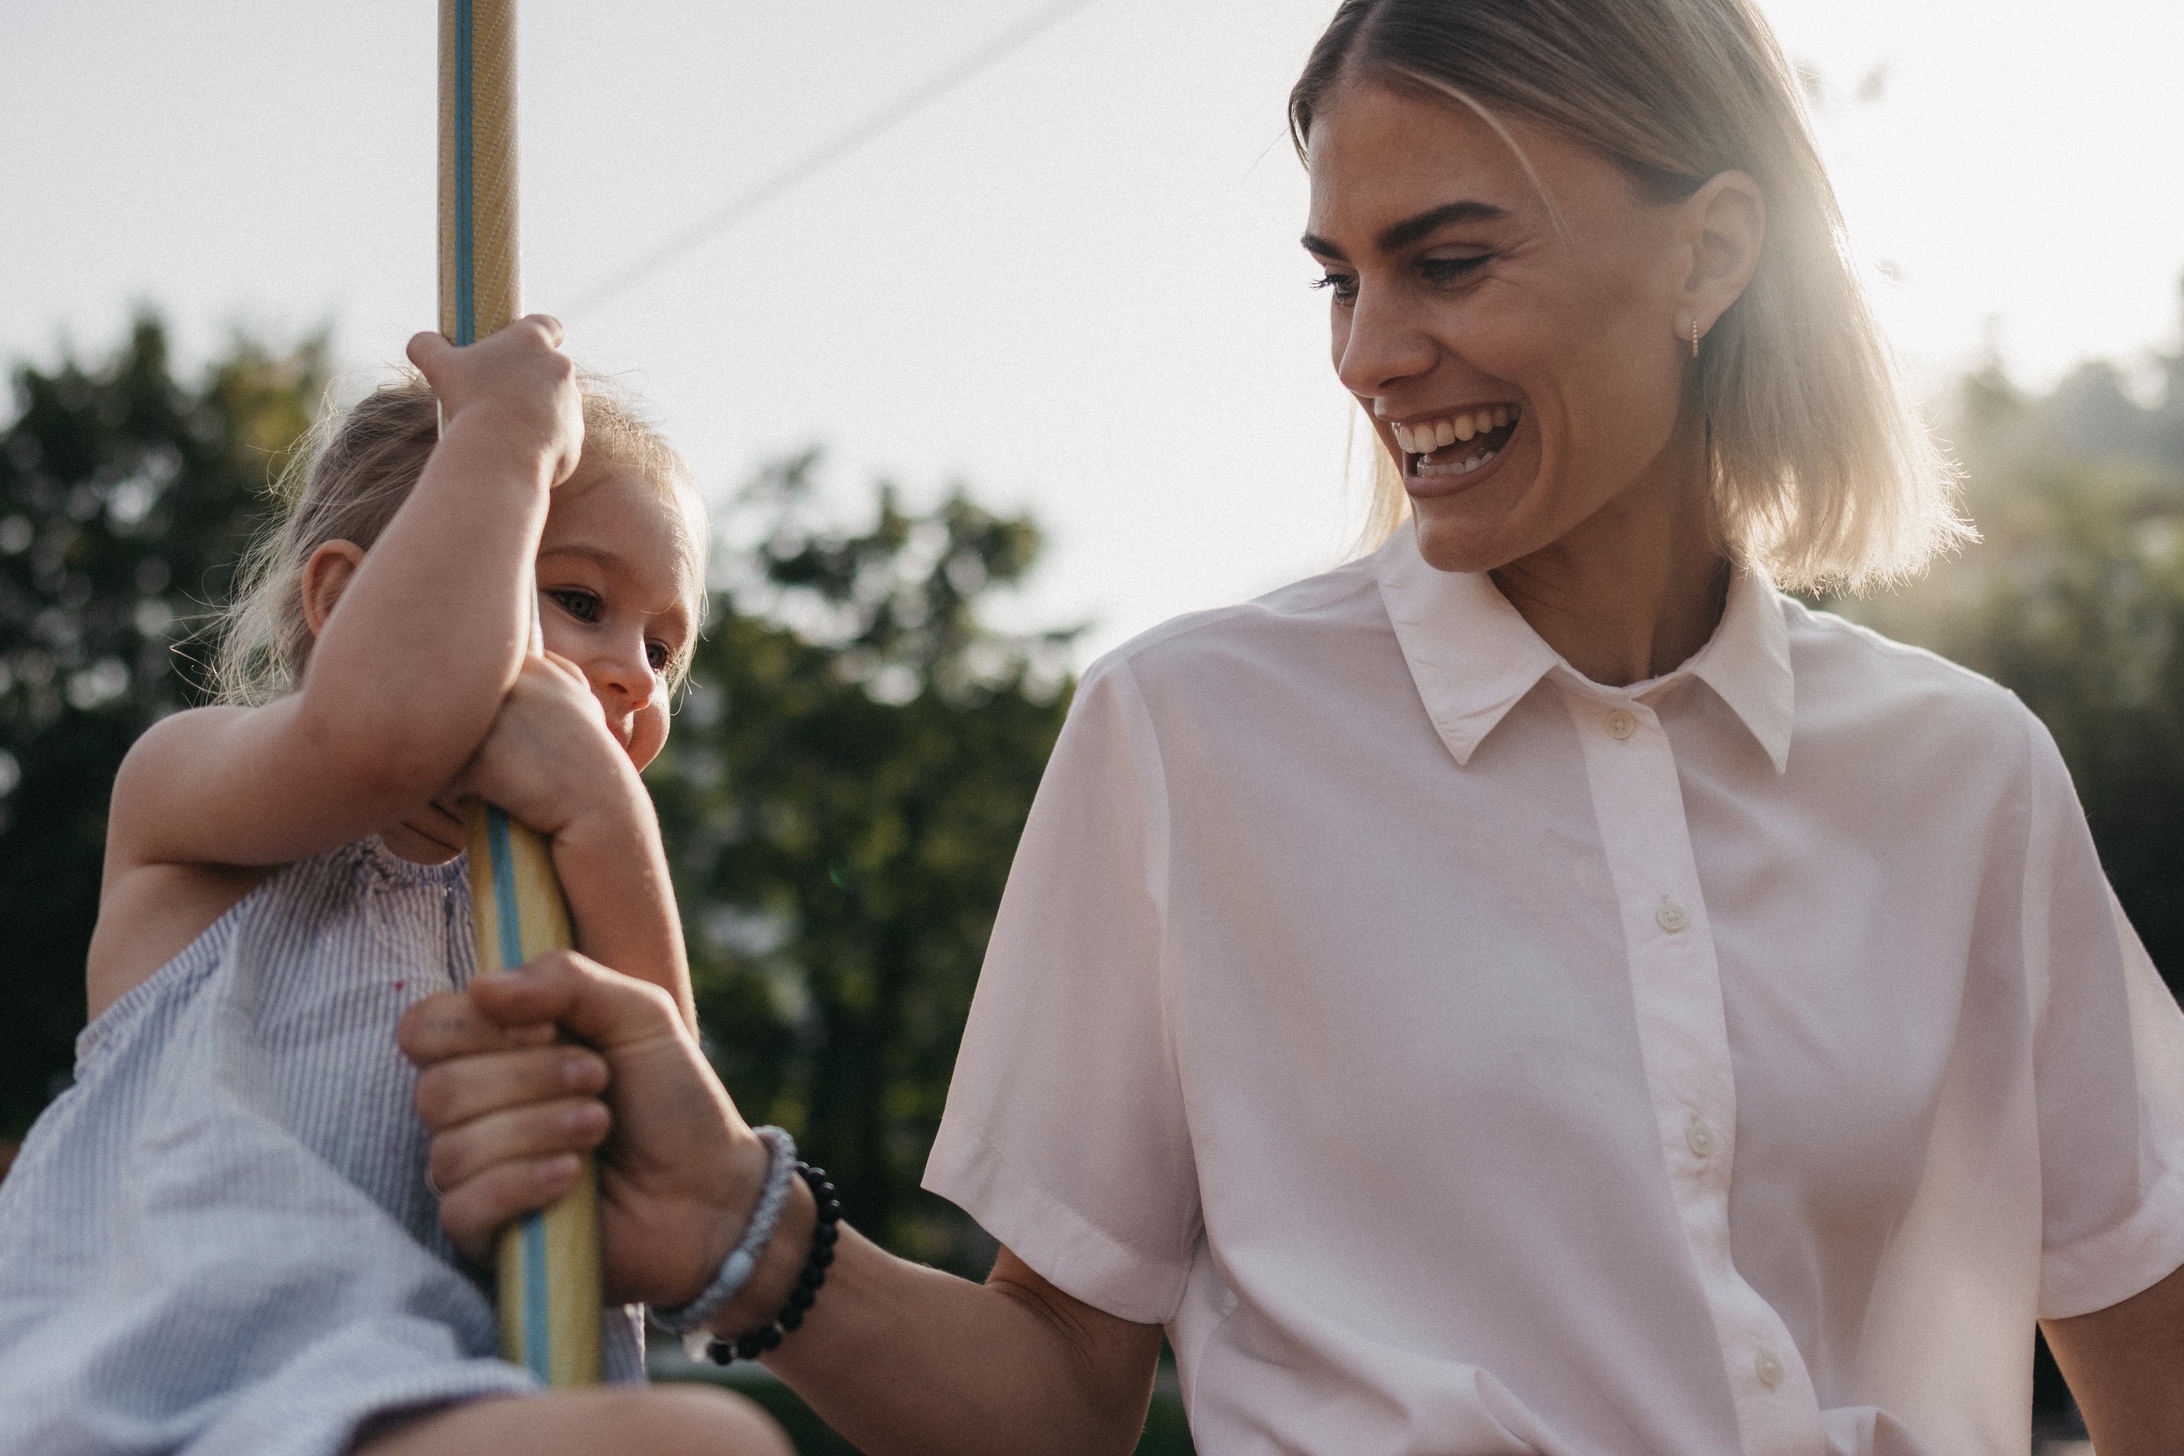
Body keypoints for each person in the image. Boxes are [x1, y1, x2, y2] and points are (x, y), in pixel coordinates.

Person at [402, 1, 2184, 1452]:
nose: (1367, 352)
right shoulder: (1184, 735)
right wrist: (739, 1225)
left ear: (1707, 253)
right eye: (1340, 276)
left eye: (1449, 262)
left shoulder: (1963, 778)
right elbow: (1055, 1400)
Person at [0, 319, 789, 1456]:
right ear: (342, 601)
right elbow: (381, 735)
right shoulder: (198, 801)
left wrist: (608, 820)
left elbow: (657, 1097)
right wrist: (510, 431)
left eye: (664, 649)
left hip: (430, 1403)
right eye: (577, 598)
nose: (631, 669)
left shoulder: (559, 898)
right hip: (157, 1392)